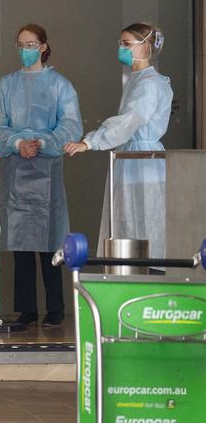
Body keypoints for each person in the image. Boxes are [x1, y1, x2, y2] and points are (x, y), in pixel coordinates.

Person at [0, 24, 82, 327]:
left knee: (50, 241)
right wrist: (16, 142)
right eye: (21, 43)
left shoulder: (59, 86)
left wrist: (42, 143)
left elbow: (70, 125)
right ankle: (26, 310)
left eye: (31, 44)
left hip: (47, 168)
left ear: (43, 47)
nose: (25, 49)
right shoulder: (7, 86)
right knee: (22, 243)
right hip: (17, 170)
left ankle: (55, 308)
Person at [64, 23, 172, 260]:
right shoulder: (139, 79)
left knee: (143, 223)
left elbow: (130, 120)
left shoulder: (149, 84)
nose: (121, 49)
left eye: (126, 44)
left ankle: (145, 274)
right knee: (131, 220)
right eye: (120, 43)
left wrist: (91, 141)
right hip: (134, 158)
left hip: (142, 160)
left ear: (144, 47)